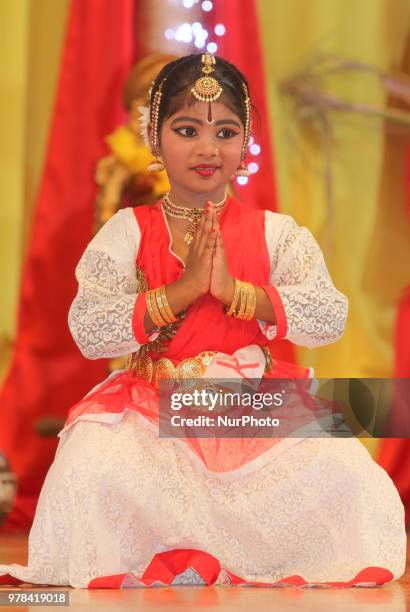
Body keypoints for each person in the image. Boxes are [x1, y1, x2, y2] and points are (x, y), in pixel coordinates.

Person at [0, 53, 405, 589]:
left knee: (352, 478)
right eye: (187, 129)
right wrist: (180, 292)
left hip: (250, 405)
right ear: (156, 138)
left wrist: (238, 293)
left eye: (226, 131)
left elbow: (328, 316)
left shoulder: (275, 233)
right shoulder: (128, 230)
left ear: (246, 142)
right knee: (85, 473)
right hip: (153, 405)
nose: (208, 149)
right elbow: (90, 328)